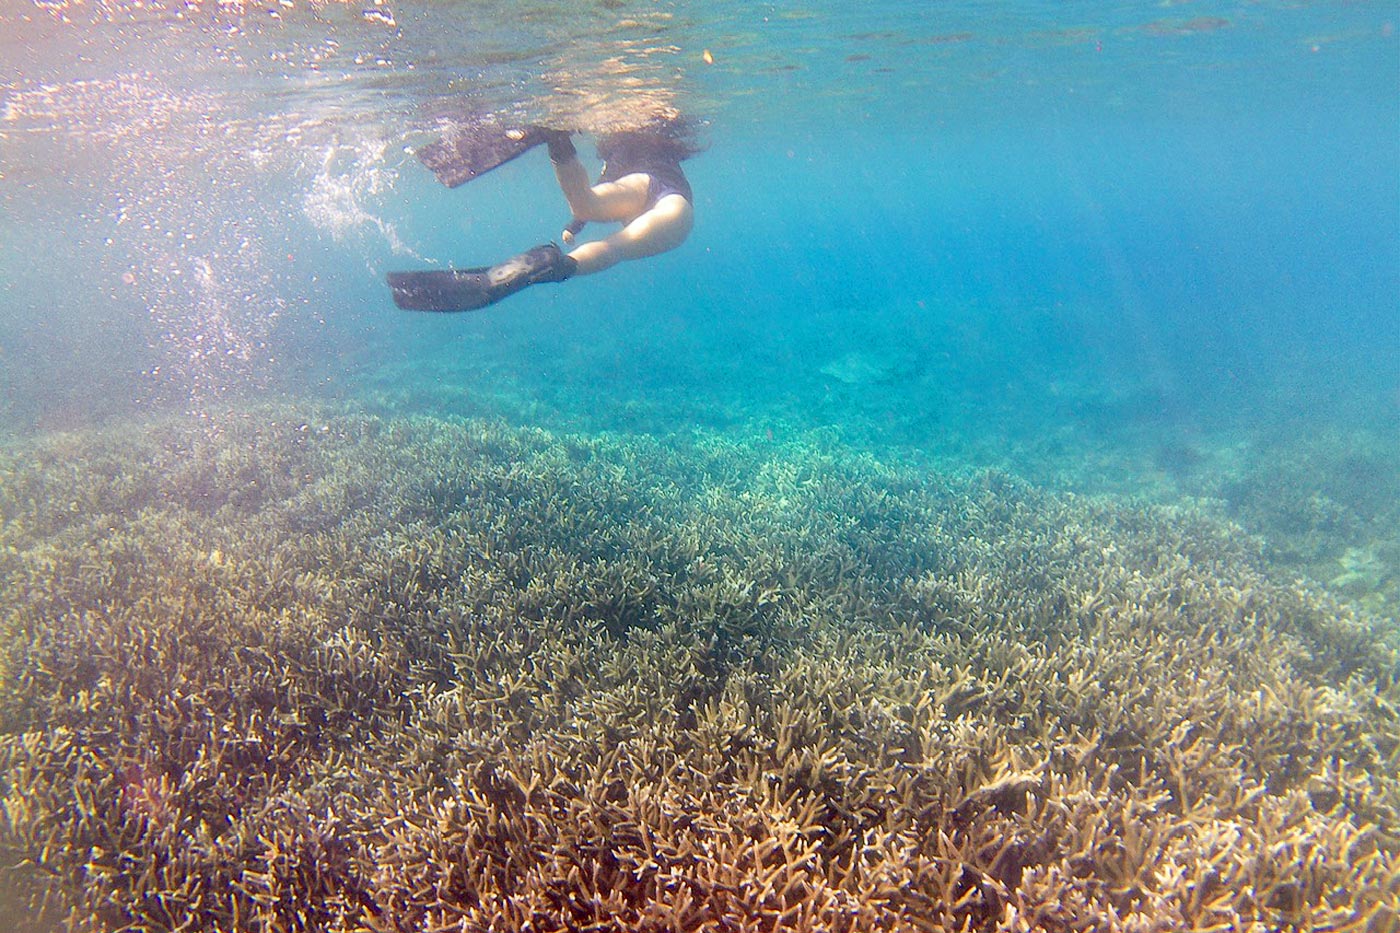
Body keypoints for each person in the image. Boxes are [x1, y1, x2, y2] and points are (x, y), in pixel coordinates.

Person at [386, 115, 698, 313]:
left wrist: (577, 221)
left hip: (643, 185)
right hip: (669, 197)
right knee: (615, 248)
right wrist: (575, 227)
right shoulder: (643, 142)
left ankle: (557, 139)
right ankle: (557, 265)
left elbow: (600, 194)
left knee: (586, 203)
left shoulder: (618, 148)